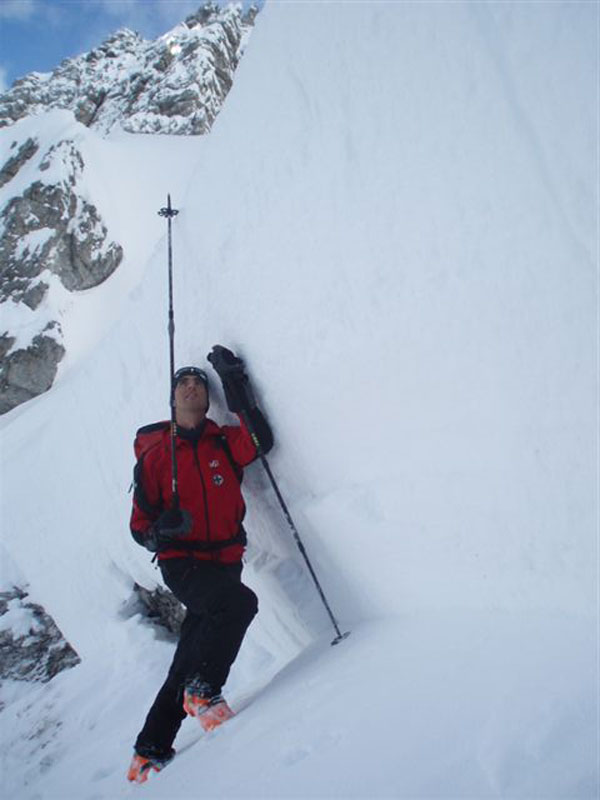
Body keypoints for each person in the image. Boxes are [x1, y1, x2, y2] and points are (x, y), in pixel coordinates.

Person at [127, 347, 273, 784]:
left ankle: (149, 750)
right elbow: (139, 527)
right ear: (172, 397)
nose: (192, 387)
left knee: (191, 650)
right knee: (238, 604)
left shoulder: (223, 443)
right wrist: (161, 531)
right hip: (183, 562)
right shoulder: (155, 456)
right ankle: (204, 692)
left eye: (199, 384)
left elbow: (260, 441)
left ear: (208, 399)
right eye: (183, 383)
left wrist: (234, 383)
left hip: (226, 559)